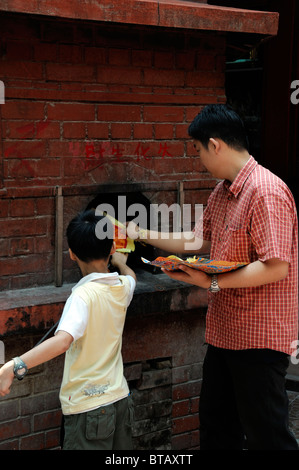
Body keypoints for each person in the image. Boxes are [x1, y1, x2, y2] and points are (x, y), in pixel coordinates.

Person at [128, 104, 299, 450]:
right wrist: (137, 231)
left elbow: (276, 266)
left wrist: (213, 281)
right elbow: (196, 240)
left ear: (216, 144)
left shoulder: (266, 191)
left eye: (198, 149)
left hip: (259, 339)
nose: (199, 159)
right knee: (217, 430)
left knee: (268, 436)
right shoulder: (222, 191)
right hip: (224, 333)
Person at [0, 210, 136, 450]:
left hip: (88, 410)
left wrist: (14, 365)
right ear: (112, 248)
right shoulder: (124, 287)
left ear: (72, 254)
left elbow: (63, 341)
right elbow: (131, 276)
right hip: (120, 401)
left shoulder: (82, 296)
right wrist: (122, 264)